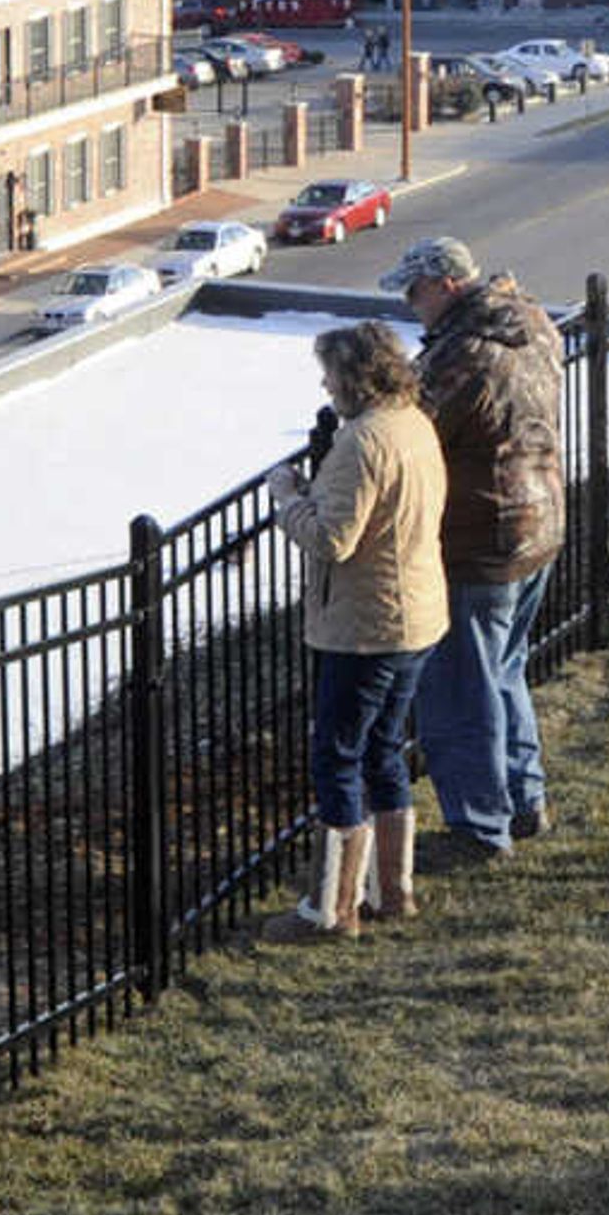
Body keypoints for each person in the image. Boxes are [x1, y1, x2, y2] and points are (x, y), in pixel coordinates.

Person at [262, 319, 448, 942]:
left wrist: (288, 498)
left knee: (337, 757)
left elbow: (333, 539)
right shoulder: (413, 424)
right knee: (383, 750)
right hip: (416, 613)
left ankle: (332, 911)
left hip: (365, 625)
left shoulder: (362, 442)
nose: (324, 384)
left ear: (353, 378)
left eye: (330, 374)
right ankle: (393, 892)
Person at [384, 236, 566, 869]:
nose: (411, 306)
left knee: (459, 687)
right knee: (504, 669)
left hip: (478, 536)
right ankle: (523, 800)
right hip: (539, 522)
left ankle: (479, 829)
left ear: (446, 284)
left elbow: (406, 429)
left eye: (415, 292)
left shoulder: (464, 354)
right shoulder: (534, 323)